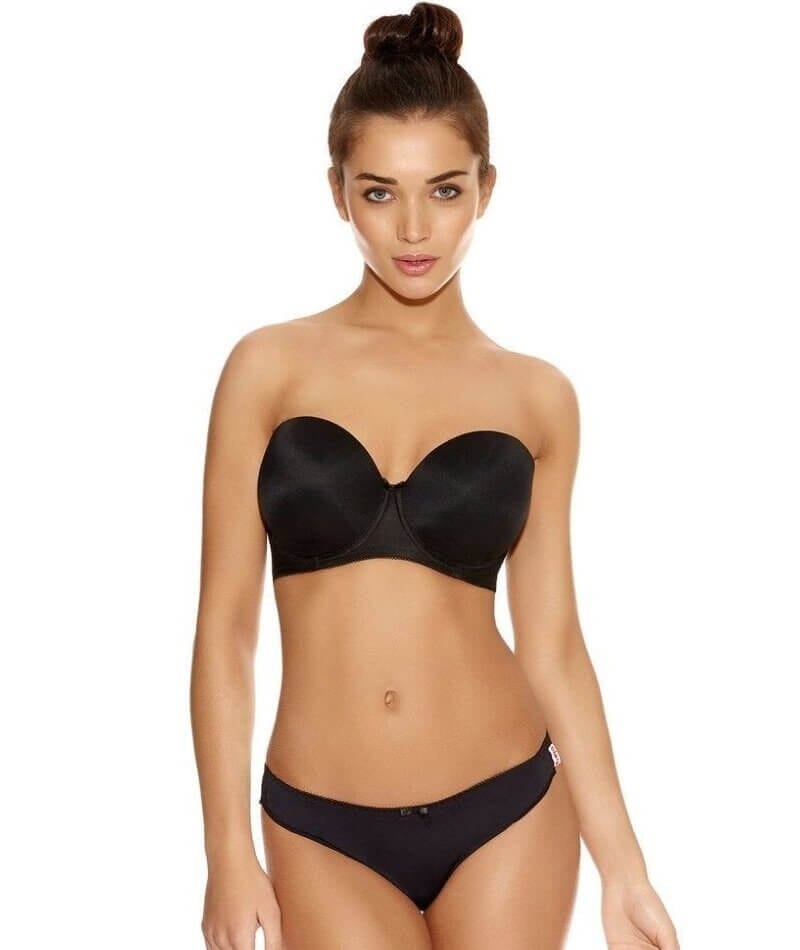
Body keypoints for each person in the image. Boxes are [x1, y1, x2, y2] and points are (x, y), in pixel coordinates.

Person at [191, 3, 680, 947]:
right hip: (320, 827)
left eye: (445, 190)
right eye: (379, 192)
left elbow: (554, 645)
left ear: (486, 189)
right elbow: (225, 631)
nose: (414, 228)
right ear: (338, 192)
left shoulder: (537, 396)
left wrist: (624, 867)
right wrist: (225, 850)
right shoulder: (268, 368)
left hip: (507, 810)